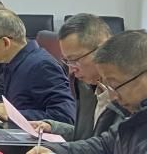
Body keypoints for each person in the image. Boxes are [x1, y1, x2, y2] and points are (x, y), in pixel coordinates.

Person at [0, 7, 75, 125]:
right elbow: (20, 104)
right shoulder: (13, 61)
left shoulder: (42, 66)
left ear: (5, 42)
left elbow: (65, 116)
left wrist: (14, 114)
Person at [31, 13, 122, 141]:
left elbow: (106, 145)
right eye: (67, 61)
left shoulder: (127, 92)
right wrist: (54, 127)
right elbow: (88, 136)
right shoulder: (85, 85)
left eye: (75, 60)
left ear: (102, 49)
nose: (71, 70)